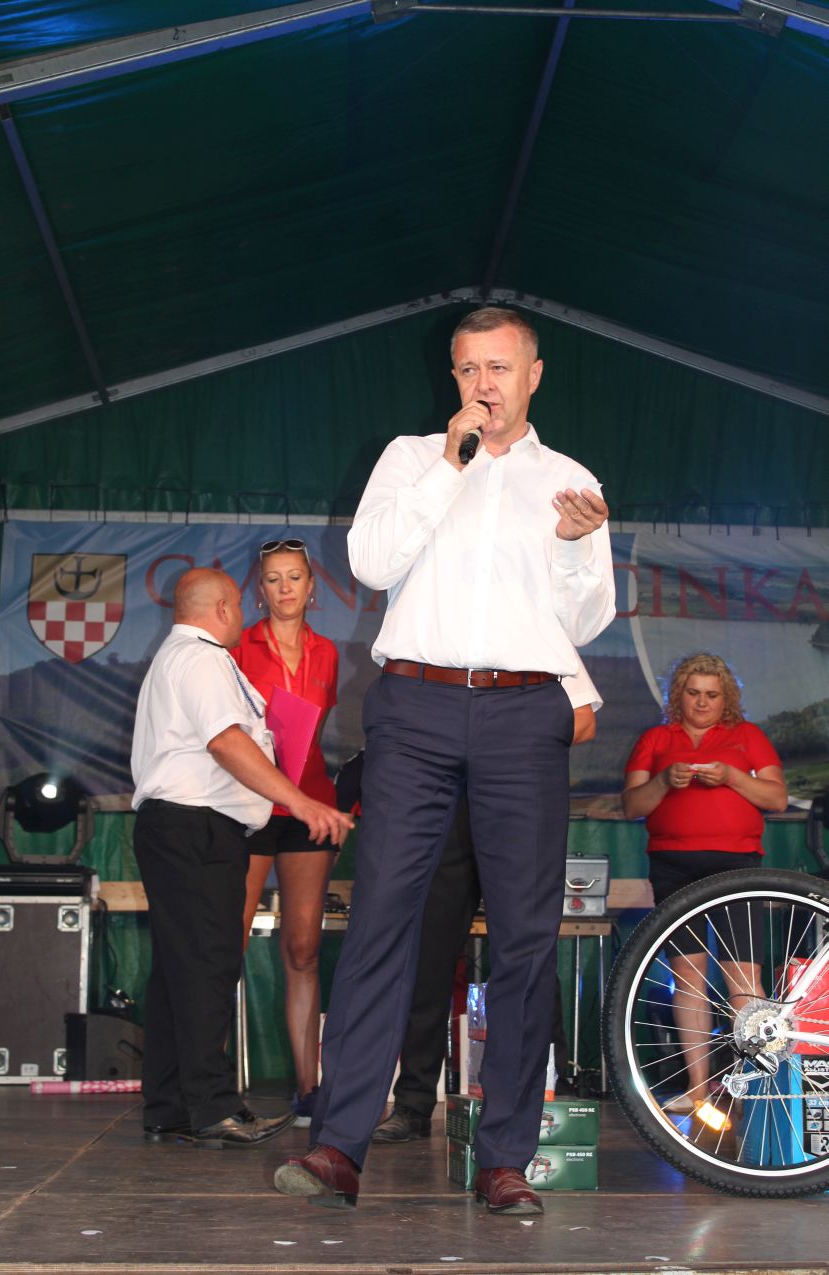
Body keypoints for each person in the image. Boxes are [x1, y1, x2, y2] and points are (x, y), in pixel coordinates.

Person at [274, 305, 615, 1213]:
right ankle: (338, 1145)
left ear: (533, 375)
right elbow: (371, 562)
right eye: (469, 369)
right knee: (381, 917)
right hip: (416, 706)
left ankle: (506, 1157)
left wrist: (575, 551)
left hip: (523, 710)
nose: (484, 385)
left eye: (500, 368)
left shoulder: (571, 481)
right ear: (453, 378)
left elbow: (585, 621)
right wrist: (449, 466)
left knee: (526, 936)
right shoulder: (411, 457)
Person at [131, 567, 353, 1148]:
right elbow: (227, 742)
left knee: (178, 971)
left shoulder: (179, 657)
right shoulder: (201, 659)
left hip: (179, 827)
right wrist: (300, 801)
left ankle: (170, 1106)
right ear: (225, 608)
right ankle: (214, 1108)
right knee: (208, 964)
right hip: (196, 826)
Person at [373, 661, 601, 1144]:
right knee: (429, 957)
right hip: (449, 816)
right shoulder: (444, 646)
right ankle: (413, 1101)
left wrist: (511, 738)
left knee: (527, 952)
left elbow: (583, 720)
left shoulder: (538, 640)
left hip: (514, 805)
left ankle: (547, 1087)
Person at [622, 651, 787, 1115]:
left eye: (711, 695)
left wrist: (732, 777)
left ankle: (755, 1090)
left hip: (737, 864)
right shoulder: (656, 738)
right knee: (688, 977)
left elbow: (776, 797)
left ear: (725, 697)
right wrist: (663, 781)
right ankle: (698, 1091)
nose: (701, 702)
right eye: (693, 693)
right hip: (673, 866)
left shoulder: (747, 736)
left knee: (744, 978)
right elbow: (632, 804)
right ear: (679, 695)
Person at [231, 538, 339, 1126]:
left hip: (308, 807)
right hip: (249, 806)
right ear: (260, 589)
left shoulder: (328, 652)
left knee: (303, 949)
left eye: (294, 577)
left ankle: (308, 1089)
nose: (285, 588)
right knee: (228, 943)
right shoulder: (238, 646)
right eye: (273, 579)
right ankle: (214, 1086)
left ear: (311, 586)